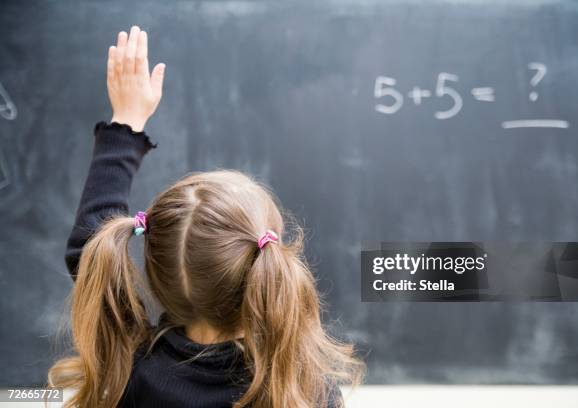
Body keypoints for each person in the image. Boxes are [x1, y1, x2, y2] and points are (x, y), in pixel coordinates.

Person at [48, 26, 364, 408]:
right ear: (268, 258)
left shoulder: (128, 368)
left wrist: (126, 124)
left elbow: (91, 247)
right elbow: (92, 251)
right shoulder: (302, 387)